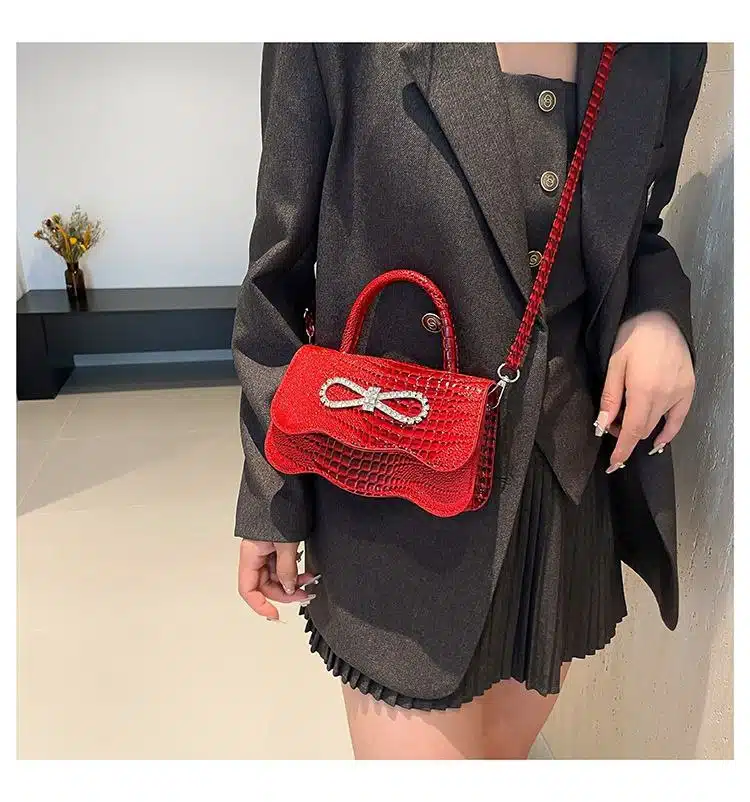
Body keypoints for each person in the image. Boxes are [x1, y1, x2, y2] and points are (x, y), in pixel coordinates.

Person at [232, 42, 707, 759]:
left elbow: (638, 230)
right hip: (397, 484)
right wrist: (271, 494)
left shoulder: (661, 43)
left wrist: (657, 314)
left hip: (559, 493)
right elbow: (279, 269)